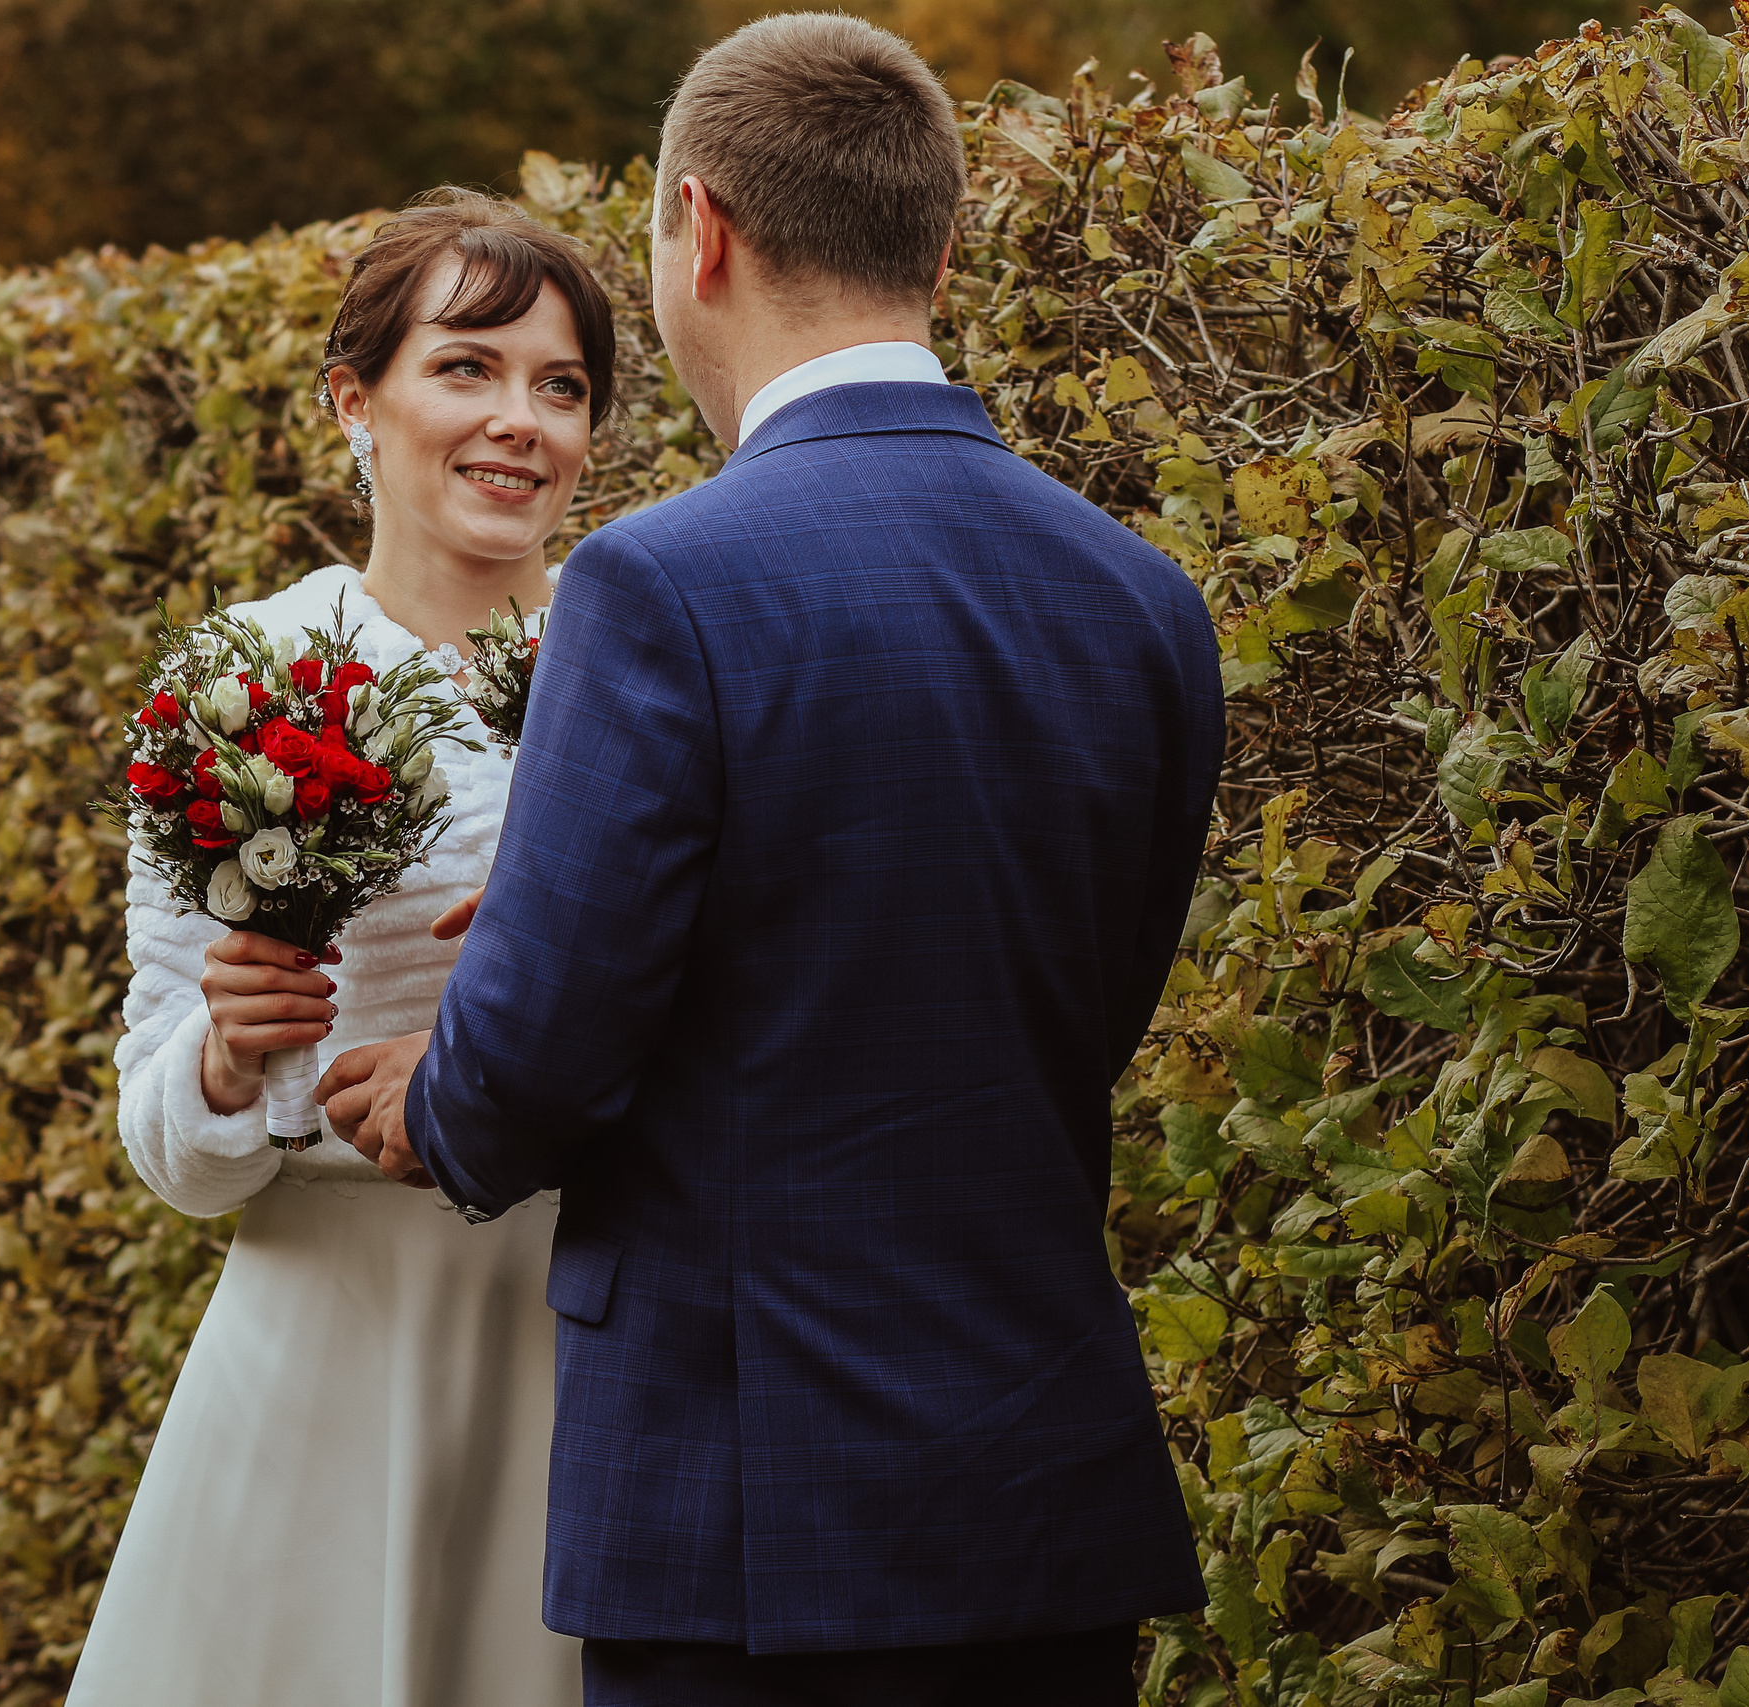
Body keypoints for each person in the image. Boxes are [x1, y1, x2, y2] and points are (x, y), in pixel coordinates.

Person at [316, 15, 1223, 1707]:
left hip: (752, 1512)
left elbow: (535, 1057)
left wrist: (434, 1094)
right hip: (1045, 1489)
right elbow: (1081, 1011)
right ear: (942, 251)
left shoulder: (663, 586)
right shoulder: (1142, 598)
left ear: (699, 227)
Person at [65, 189, 613, 1707]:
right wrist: (230, 1056)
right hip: (325, 1321)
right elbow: (171, 1156)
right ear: (353, 403)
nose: (520, 421)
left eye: (559, 386)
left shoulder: (636, 674)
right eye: (468, 368)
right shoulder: (247, 677)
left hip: (582, 1322)